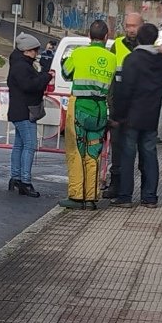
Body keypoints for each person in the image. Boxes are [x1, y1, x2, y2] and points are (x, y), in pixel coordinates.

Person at [109, 23, 162, 208]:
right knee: (149, 155)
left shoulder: (132, 59)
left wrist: (117, 116)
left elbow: (124, 91)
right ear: (155, 39)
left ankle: (125, 196)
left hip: (131, 117)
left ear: (139, 38)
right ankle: (150, 197)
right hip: (151, 116)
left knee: (128, 156)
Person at [59, 20, 116, 209]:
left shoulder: (79, 53)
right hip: (100, 109)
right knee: (93, 153)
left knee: (76, 151)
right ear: (106, 37)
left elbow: (66, 73)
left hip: (80, 108)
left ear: (89, 36)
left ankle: (76, 196)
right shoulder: (111, 58)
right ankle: (91, 197)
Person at [102, 11, 143, 198]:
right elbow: (110, 77)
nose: (130, 29)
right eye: (128, 25)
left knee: (140, 150)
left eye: (134, 25)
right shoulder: (117, 45)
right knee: (117, 148)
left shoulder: (148, 46)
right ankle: (115, 184)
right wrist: (111, 105)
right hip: (119, 107)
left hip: (139, 109)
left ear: (141, 25)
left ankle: (141, 190)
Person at [7, 33, 52, 198]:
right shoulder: (22, 67)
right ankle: (25, 182)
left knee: (19, 146)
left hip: (18, 111)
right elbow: (30, 86)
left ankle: (15, 177)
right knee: (30, 146)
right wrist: (46, 76)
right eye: (34, 50)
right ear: (26, 50)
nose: (36, 54)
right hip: (25, 111)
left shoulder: (18, 63)